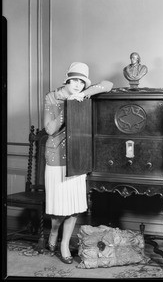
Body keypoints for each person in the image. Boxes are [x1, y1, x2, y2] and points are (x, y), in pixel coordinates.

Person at [44, 62, 113, 264]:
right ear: (67, 80)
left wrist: (84, 94)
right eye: (74, 80)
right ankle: (53, 232)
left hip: (78, 155)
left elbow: (107, 84)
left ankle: (65, 243)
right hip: (56, 158)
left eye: (82, 82)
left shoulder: (82, 94)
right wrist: (69, 106)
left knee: (73, 206)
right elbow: (49, 129)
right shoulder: (52, 97)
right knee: (58, 209)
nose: (77, 85)